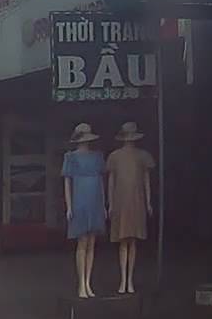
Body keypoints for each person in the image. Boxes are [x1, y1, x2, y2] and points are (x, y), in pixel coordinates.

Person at [106, 122, 155, 294]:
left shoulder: (142, 156)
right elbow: (111, 181)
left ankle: (130, 280)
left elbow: (146, 180)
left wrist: (148, 202)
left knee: (133, 240)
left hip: (136, 200)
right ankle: (123, 280)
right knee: (123, 240)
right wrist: (111, 203)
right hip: (121, 200)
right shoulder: (114, 156)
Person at [63, 123, 106, 299]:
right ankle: (81, 283)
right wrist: (69, 206)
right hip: (79, 200)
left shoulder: (97, 156)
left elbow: (101, 181)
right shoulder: (71, 157)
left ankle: (88, 282)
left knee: (91, 243)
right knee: (82, 242)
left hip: (95, 199)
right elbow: (67, 182)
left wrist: (103, 204)